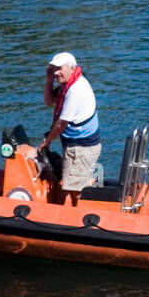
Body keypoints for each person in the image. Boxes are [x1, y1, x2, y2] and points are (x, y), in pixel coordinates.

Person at [38, 52, 101, 207]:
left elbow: (61, 124)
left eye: (59, 68)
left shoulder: (75, 91)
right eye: (53, 69)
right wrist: (48, 79)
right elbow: (48, 101)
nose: (56, 72)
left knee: (75, 188)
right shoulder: (67, 85)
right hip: (76, 146)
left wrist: (46, 142)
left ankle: (78, 218)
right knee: (72, 183)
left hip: (81, 148)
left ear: (72, 68)